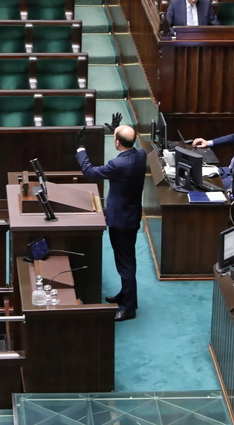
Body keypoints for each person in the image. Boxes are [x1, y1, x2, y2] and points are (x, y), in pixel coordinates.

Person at [75, 117, 147, 322]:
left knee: (125, 265)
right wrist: (118, 129)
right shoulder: (141, 155)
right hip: (131, 216)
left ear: (117, 142)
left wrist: (80, 149)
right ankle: (125, 295)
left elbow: (90, 172)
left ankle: (128, 307)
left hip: (120, 221)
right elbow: (130, 143)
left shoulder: (118, 164)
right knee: (127, 260)